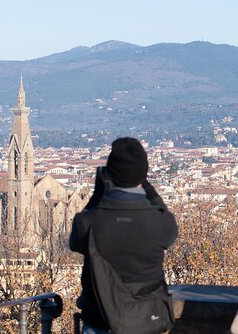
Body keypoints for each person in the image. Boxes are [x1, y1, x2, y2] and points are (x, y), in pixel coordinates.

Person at [70, 137, 178, 334]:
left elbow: (75, 242)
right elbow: (166, 219)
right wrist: (147, 186)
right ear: (142, 174)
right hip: (145, 320)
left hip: (98, 318)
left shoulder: (88, 222)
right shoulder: (160, 222)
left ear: (110, 172)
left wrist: (97, 194)